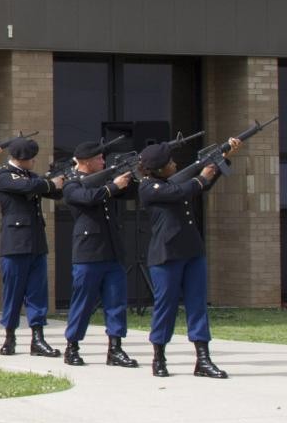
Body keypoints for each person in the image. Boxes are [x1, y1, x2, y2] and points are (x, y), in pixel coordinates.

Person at [139, 136, 244, 378]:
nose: (174, 164)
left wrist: (222, 158)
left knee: (197, 305)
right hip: (166, 254)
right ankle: (159, 356)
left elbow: (200, 185)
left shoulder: (173, 183)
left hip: (191, 251)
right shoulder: (149, 187)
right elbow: (183, 189)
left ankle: (203, 359)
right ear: (159, 168)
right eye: (170, 162)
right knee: (166, 307)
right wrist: (202, 176)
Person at [59, 141, 138, 368]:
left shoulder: (103, 180)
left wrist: (130, 176)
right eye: (99, 159)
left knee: (116, 303)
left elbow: (129, 193)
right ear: (86, 161)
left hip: (112, 250)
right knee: (82, 303)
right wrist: (113, 186)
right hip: (88, 252)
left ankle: (115, 348)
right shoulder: (72, 184)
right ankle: (72, 346)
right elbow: (88, 198)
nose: (103, 162)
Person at [0, 137, 63, 357]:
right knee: (13, 294)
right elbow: (28, 186)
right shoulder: (4, 175)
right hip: (15, 244)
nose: (34, 162)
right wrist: (49, 182)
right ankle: (9, 337)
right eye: (31, 159)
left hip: (35, 242)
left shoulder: (31, 177)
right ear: (21, 159)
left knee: (37, 294)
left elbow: (54, 192)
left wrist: (59, 179)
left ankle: (38, 338)